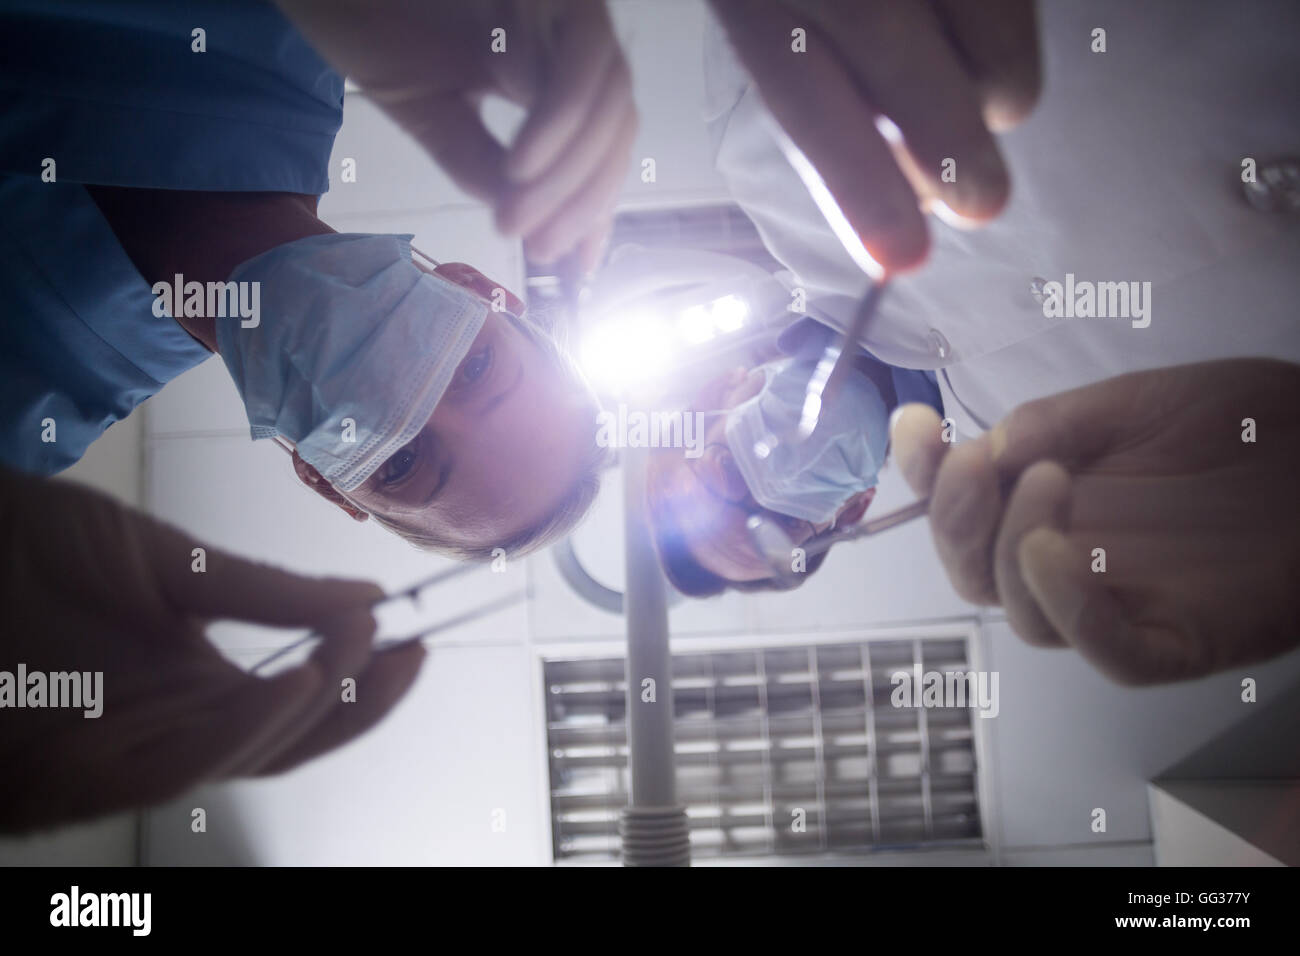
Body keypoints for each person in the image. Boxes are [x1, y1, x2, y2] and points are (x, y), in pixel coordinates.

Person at [699, 0, 1300, 679]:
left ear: (726, 388)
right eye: (784, 530)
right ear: (856, 508)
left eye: (723, 474)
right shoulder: (1060, 472)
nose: (766, 489)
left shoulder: (761, 152)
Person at [0, 0, 633, 558]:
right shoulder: (297, 36)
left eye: (404, 463)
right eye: (473, 369)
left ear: (325, 481)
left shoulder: (21, 429)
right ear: (473, 284)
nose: (409, 397)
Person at [647, 321, 942, 595]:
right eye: (787, 519)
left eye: (731, 469)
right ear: (854, 509)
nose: (779, 478)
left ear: (718, 394)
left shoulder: (802, 270)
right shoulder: (980, 418)